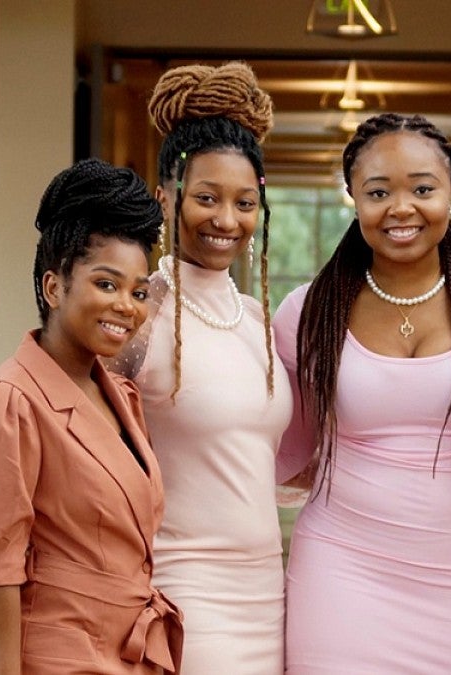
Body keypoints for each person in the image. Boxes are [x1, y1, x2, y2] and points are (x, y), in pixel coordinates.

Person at [272, 112, 451, 674]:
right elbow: (278, 446)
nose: (401, 208)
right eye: (378, 191)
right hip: (342, 572)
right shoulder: (306, 312)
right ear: (353, 198)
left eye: (422, 188)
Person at [0, 158, 181, 674]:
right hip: (56, 659)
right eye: (106, 284)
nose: (127, 305)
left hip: (126, 653)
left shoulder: (120, 394)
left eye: (139, 291)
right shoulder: (10, 402)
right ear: (54, 287)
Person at [108, 62, 292, 673]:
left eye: (244, 203)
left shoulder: (253, 320)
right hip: (185, 591)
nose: (226, 220)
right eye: (206, 198)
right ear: (168, 196)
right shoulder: (137, 318)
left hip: (269, 592)